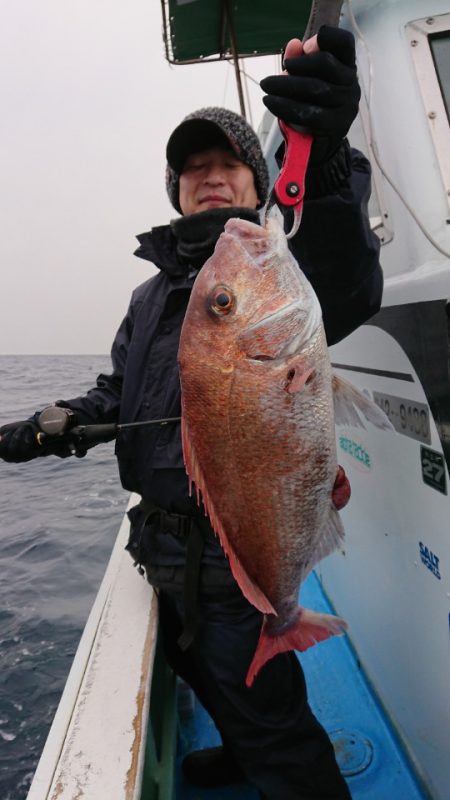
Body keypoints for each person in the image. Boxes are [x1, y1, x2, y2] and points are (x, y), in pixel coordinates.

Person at [0, 27, 381, 800]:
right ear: (174, 189)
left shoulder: (285, 268)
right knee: (203, 678)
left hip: (233, 555)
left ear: (258, 181)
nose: (210, 179)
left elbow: (346, 278)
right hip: (160, 550)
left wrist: (332, 160)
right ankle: (240, 755)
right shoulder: (149, 299)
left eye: (229, 165)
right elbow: (117, 396)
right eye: (192, 169)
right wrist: (50, 422)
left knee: (276, 724)